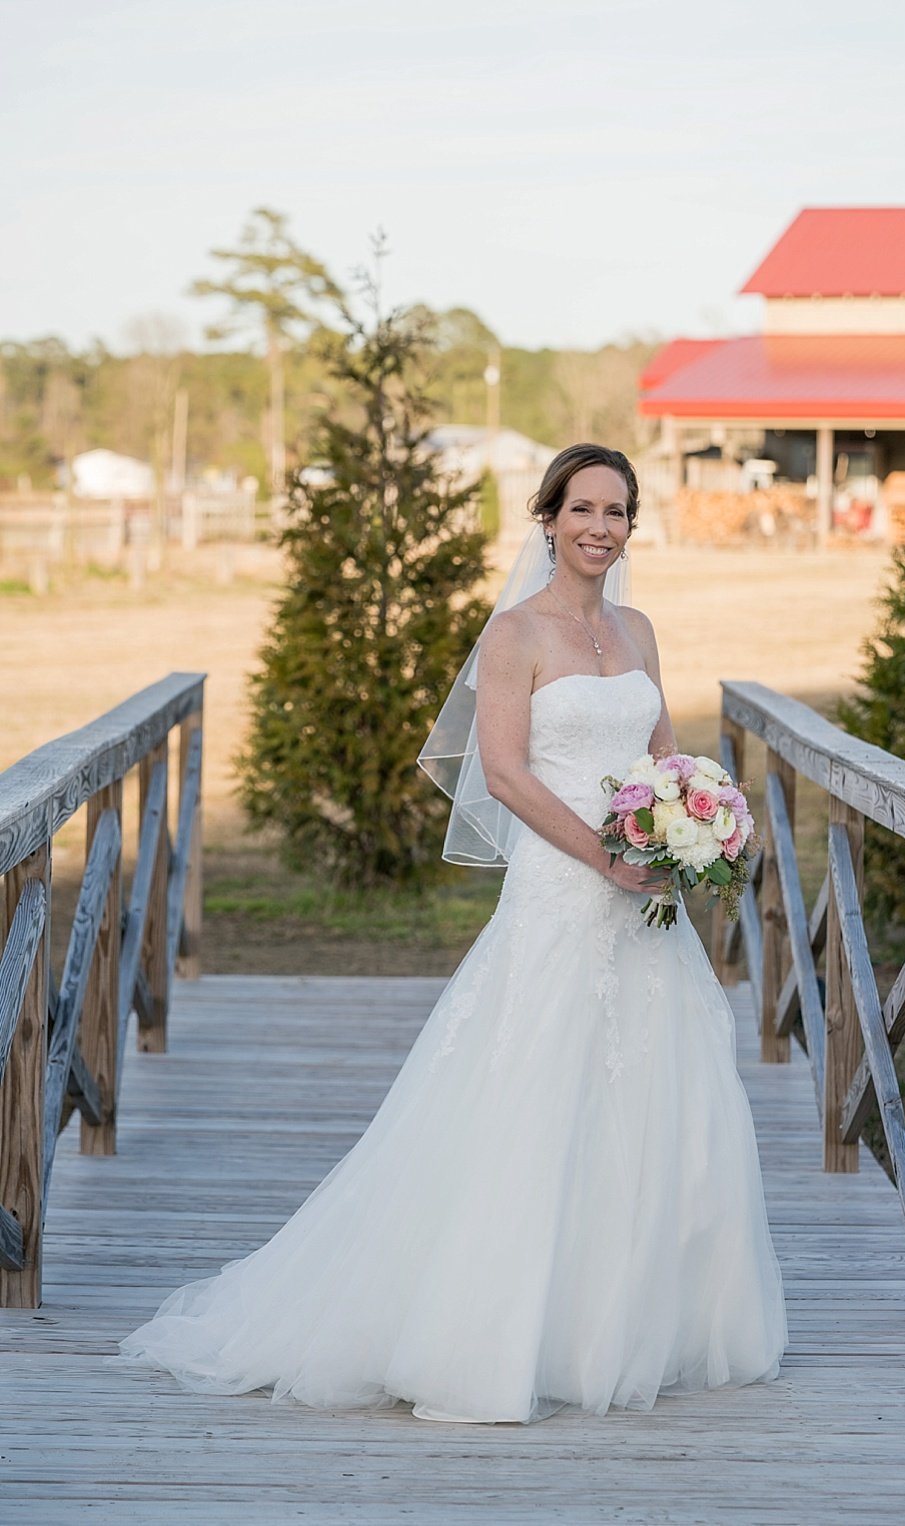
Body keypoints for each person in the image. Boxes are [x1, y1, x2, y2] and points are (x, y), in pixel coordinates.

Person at [117, 443, 787, 1423]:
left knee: (659, 1091)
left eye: (618, 512)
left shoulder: (639, 628)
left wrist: (694, 821)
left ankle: (624, 1321)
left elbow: (659, 753)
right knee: (532, 1089)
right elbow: (509, 773)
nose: (601, 526)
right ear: (549, 517)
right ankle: (489, 1326)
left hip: (646, 898)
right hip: (564, 887)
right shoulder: (516, 633)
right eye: (583, 508)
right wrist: (604, 856)